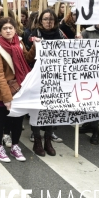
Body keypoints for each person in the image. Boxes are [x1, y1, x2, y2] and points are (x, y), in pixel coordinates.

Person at [0, 17, 37, 162]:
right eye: (5, 28)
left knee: (18, 119)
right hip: (1, 89)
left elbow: (28, 58)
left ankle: (15, 145)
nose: (8, 30)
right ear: (0, 31)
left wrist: (35, 46)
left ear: (15, 29)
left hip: (19, 87)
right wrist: (6, 97)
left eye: (11, 28)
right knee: (0, 119)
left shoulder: (19, 43)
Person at [28, 9, 65, 155]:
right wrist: (34, 45)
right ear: (40, 20)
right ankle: (37, 140)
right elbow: (28, 57)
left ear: (55, 21)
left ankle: (48, 141)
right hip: (37, 77)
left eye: (51, 19)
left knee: (51, 109)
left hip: (54, 77)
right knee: (37, 108)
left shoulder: (61, 35)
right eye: (45, 19)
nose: (48, 22)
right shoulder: (33, 34)